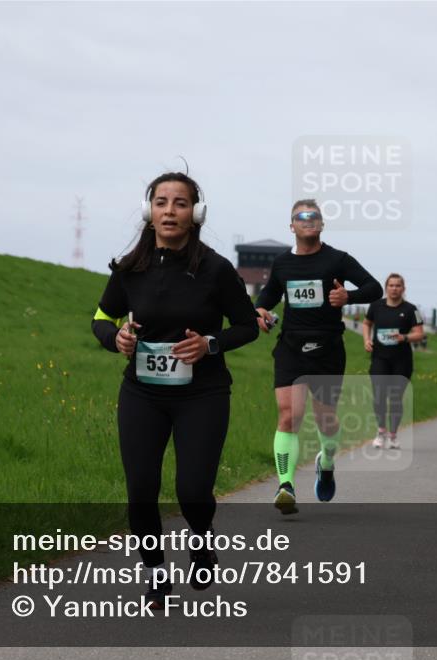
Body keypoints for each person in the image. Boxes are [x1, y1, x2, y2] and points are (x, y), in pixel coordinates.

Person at [90, 172, 259, 607]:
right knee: (141, 490)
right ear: (150, 212)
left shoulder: (216, 269)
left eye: (180, 203)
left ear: (194, 213)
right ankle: (156, 574)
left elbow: (246, 327)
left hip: (202, 394)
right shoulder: (129, 268)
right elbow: (101, 318)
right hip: (142, 394)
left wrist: (209, 344)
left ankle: (201, 539)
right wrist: (116, 340)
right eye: (161, 202)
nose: (170, 210)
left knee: (192, 490)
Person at [255, 200, 382, 514]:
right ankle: (286, 485)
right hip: (291, 349)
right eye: (301, 217)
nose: (308, 221)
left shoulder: (337, 259)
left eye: (314, 217)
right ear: (292, 226)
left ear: (322, 224)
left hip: (326, 350)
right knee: (289, 415)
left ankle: (326, 462)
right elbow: (269, 295)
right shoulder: (283, 263)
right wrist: (260, 311)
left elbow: (374, 287)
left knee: (326, 419)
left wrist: (348, 296)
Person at [362, 274, 425, 449]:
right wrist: (366, 340)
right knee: (379, 396)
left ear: (403, 289)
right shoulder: (376, 306)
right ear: (386, 287)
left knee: (396, 398)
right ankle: (381, 432)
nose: (394, 288)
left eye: (398, 285)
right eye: (391, 285)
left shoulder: (412, 309)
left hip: (402, 360)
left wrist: (403, 337)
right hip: (380, 358)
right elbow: (366, 324)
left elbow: (420, 333)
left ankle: (393, 435)